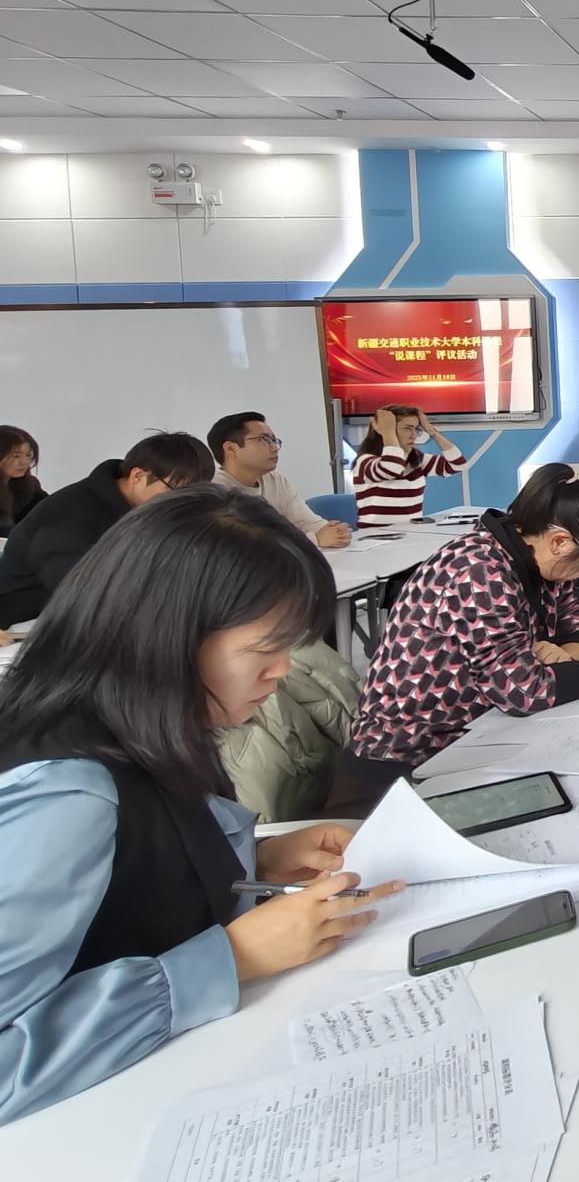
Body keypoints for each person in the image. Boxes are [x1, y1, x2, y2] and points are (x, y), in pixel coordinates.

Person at [0, 488, 403, 1124]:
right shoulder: (64, 795)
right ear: (166, 639)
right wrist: (232, 958)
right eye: (264, 651)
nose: (281, 673)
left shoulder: (144, 720)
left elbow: (130, 870)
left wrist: (255, 859)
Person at [327, 465, 579, 812]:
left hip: (475, 741)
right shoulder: (478, 571)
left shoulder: (541, 559)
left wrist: (566, 657)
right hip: (401, 766)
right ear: (559, 542)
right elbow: (525, 691)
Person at [0, 432, 213, 628]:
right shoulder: (72, 513)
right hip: (26, 618)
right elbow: (77, 588)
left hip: (81, 615)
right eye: (177, 493)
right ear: (138, 476)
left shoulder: (145, 509)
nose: (182, 504)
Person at [208, 411, 351, 549]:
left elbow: (307, 522)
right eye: (263, 440)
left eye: (274, 440)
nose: (275, 447)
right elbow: (242, 547)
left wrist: (335, 531)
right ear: (231, 449)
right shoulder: (213, 491)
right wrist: (315, 539)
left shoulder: (275, 480)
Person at [351, 405, 467, 527]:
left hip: (410, 533)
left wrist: (432, 431)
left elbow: (458, 465)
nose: (414, 435)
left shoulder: (417, 459)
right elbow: (392, 468)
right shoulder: (365, 461)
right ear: (385, 429)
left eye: (416, 429)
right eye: (407, 428)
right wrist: (388, 433)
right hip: (375, 534)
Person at [0, 426, 44, 539]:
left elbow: (49, 510)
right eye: (16, 456)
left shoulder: (29, 486)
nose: (25, 462)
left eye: (28, 455)